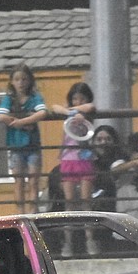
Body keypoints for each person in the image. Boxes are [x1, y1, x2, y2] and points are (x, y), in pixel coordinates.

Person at [51, 82, 98, 256]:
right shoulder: (68, 111)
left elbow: (91, 106)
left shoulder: (88, 111)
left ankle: (90, 239)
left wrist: (80, 111)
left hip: (85, 158)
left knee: (86, 201)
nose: (78, 101)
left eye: (81, 98)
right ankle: (68, 243)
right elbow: (54, 107)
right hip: (68, 159)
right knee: (69, 201)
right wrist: (70, 112)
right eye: (75, 98)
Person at [0, 63, 48, 214]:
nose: (20, 83)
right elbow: (1, 115)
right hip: (15, 145)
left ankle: (32, 211)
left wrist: (22, 122)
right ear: (12, 81)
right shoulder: (9, 98)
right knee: (18, 181)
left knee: (33, 180)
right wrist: (19, 124)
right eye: (17, 79)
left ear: (29, 81)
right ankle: (20, 211)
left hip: (32, 145)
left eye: (24, 79)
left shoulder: (35, 97)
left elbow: (42, 112)